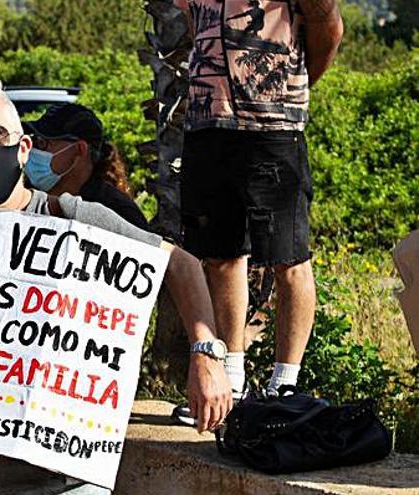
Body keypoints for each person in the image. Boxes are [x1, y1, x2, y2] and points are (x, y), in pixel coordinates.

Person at [0, 77, 231, 495]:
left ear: (24, 148)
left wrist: (206, 355)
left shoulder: (73, 219)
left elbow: (180, 263)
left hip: (65, 483)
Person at [173, 0, 344, 415]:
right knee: (220, 257)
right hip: (207, 124)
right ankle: (232, 380)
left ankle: (285, 386)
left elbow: (329, 29)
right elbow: (197, 26)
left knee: (289, 259)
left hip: (273, 129)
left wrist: (285, 89)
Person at [22, 103, 148, 230]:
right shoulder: (24, 199)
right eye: (34, 141)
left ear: (80, 149)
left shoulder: (118, 212)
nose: (33, 150)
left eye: (43, 143)